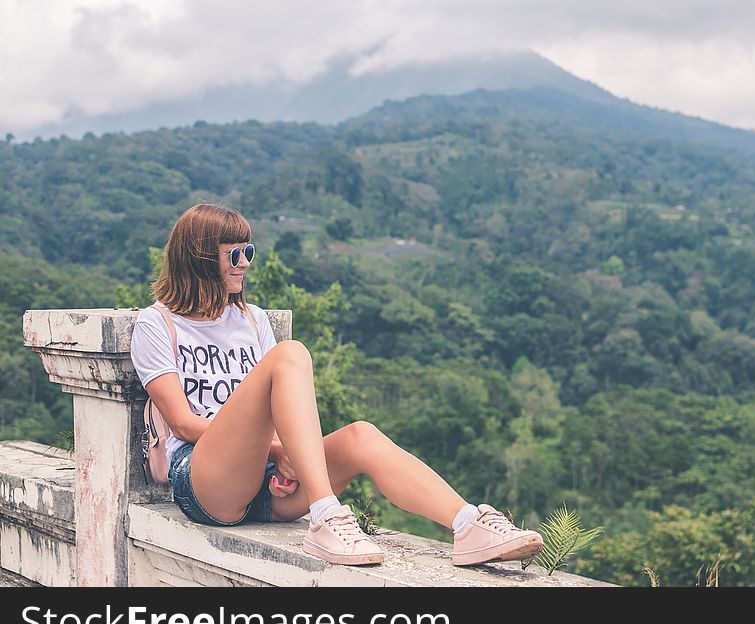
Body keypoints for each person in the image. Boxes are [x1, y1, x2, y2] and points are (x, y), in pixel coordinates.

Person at [130, 202, 544, 567]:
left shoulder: (252, 320)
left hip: (267, 479)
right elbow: (183, 424)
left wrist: (284, 465)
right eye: (234, 254)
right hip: (205, 481)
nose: (245, 263)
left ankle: (468, 524)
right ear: (200, 258)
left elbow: (276, 413)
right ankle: (326, 515)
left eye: (249, 252)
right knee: (291, 354)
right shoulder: (159, 324)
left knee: (361, 436)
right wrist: (279, 449)